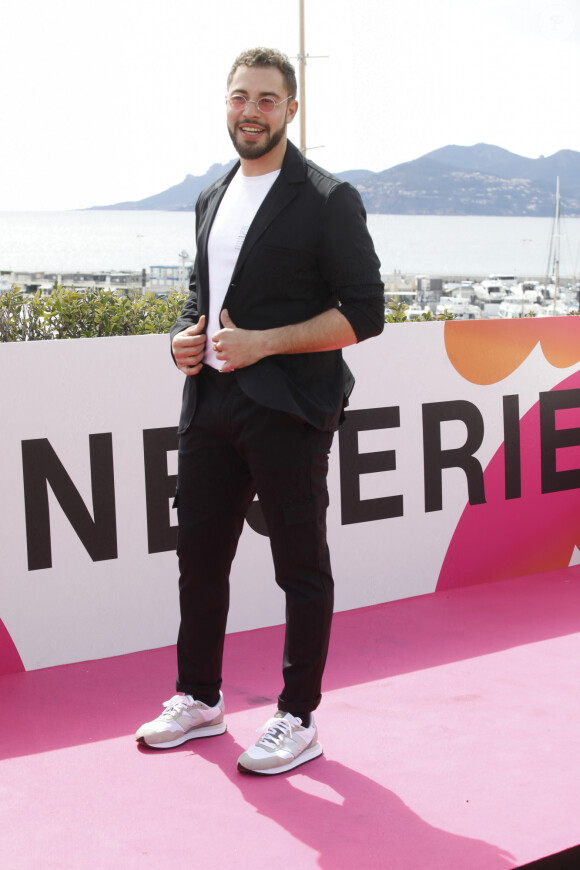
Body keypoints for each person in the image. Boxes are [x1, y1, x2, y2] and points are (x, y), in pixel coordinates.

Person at [136, 47, 384, 774]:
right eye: (240, 96)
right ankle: (200, 698)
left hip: (290, 409)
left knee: (299, 566)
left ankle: (298, 717)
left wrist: (263, 345)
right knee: (199, 560)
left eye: (267, 99)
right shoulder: (211, 197)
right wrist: (183, 337)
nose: (251, 110)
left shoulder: (327, 197)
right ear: (227, 103)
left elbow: (365, 314)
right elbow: (201, 297)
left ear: (291, 110)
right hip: (209, 403)